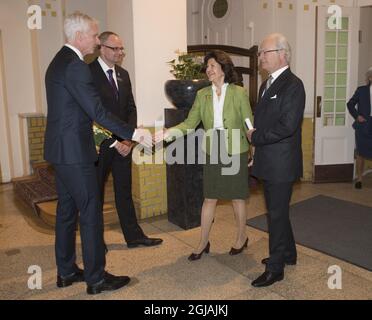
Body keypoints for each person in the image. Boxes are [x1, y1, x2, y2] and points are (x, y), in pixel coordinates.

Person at [44, 12, 152, 295]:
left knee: (67, 211)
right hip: (75, 153)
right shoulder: (76, 66)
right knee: (91, 211)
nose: (96, 39)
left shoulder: (57, 62)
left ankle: (66, 271)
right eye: (94, 35)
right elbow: (98, 111)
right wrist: (134, 133)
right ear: (80, 36)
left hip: (59, 150)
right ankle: (96, 278)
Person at [155, 50, 253, 260]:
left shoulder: (238, 92)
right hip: (213, 149)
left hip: (236, 147)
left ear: (223, 68)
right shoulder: (202, 95)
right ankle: (202, 242)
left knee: (237, 197)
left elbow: (248, 122)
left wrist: (255, 144)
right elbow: (190, 124)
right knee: (209, 198)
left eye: (212, 66)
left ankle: (242, 237)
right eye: (207, 67)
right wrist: (169, 132)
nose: (208, 70)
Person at [89, 32, 163, 248]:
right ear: (102, 48)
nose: (120, 53)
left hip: (124, 144)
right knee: (96, 194)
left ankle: (134, 236)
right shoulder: (88, 73)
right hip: (100, 145)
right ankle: (96, 242)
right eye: (116, 49)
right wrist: (114, 139)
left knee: (124, 191)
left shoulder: (123, 74)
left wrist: (128, 140)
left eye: (122, 49)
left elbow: (131, 108)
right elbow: (95, 112)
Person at [247, 33, 305, 287]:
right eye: (260, 53)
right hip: (267, 160)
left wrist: (256, 137)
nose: (259, 57)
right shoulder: (265, 84)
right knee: (277, 212)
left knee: (276, 214)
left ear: (282, 54)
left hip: (281, 163)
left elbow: (287, 126)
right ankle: (288, 254)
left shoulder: (293, 85)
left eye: (264, 52)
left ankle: (276, 267)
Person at [347, 67, 372, 189]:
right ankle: (359, 179)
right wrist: (357, 116)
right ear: (370, 78)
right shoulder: (361, 90)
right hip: (363, 126)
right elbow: (350, 104)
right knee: (361, 153)